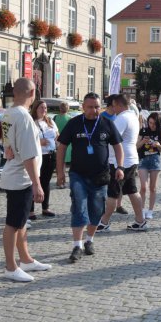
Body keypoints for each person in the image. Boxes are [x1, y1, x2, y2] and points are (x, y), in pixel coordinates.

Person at [56, 92, 124, 263]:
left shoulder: (107, 123)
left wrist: (120, 166)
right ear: (83, 107)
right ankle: (77, 245)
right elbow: (62, 147)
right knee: (79, 207)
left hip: (100, 176)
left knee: (96, 210)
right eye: (90, 107)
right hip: (78, 174)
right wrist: (60, 172)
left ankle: (89, 241)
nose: (94, 110)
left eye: (96, 107)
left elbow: (118, 146)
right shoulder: (74, 123)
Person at [0, 78, 51, 282]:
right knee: (14, 223)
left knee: (22, 222)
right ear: (33, 94)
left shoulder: (8, 113)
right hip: (21, 177)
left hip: (15, 174)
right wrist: (37, 184)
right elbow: (29, 154)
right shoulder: (23, 117)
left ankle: (26, 259)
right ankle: (11, 267)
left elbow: (7, 145)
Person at [97, 94, 147, 231]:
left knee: (112, 192)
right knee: (132, 191)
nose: (113, 109)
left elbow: (111, 137)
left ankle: (104, 222)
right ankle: (140, 220)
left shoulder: (122, 118)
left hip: (120, 162)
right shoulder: (133, 117)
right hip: (131, 159)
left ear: (119, 104)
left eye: (114, 106)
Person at [29, 99, 59, 219]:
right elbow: (27, 139)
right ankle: (30, 211)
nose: (44, 110)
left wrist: (57, 141)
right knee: (35, 182)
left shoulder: (50, 121)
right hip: (38, 156)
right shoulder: (31, 122)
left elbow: (57, 134)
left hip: (51, 155)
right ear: (35, 109)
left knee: (46, 183)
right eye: (41, 108)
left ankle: (45, 207)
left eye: (45, 108)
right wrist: (39, 142)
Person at [137, 111, 161, 220]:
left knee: (153, 188)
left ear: (158, 123)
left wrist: (158, 145)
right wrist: (143, 141)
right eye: (150, 122)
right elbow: (136, 146)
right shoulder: (143, 130)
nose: (151, 125)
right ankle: (142, 210)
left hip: (155, 161)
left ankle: (150, 211)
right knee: (143, 187)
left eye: (154, 123)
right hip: (143, 160)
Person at [53, 101, 73, 183]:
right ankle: (64, 181)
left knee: (60, 163)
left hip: (58, 141)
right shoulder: (70, 118)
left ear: (59, 108)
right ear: (68, 108)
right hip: (68, 143)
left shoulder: (55, 117)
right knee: (66, 163)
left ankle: (59, 181)